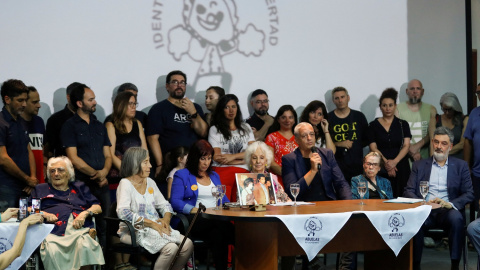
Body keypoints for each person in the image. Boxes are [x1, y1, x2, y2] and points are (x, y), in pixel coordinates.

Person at [282, 122, 352, 269]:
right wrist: (313, 171)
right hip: (303, 210)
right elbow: (292, 191)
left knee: (350, 230)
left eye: (312, 134)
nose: (309, 138)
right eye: (304, 135)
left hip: (327, 206)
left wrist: (348, 204)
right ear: (297, 140)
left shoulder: (326, 154)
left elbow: (341, 183)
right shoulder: (289, 159)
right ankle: (316, 266)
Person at [404, 127, 474, 270]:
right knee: (414, 220)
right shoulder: (419, 165)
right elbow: (408, 190)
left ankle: (455, 265)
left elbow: (469, 193)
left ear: (450, 146)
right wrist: (423, 203)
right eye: (436, 142)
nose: (439, 147)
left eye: (443, 143)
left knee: (457, 219)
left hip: (448, 210)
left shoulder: (461, 166)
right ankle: (415, 265)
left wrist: (450, 204)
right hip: (425, 210)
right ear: (432, 143)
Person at [116, 147, 193, 270]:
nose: (150, 166)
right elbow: (123, 212)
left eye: (149, 162)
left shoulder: (150, 182)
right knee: (171, 248)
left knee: (187, 244)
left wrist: (166, 220)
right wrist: (151, 224)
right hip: (134, 231)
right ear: (135, 164)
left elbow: (164, 205)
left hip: (155, 228)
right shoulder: (125, 184)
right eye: (145, 162)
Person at [61, 83, 112, 247]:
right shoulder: (69, 126)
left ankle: (102, 264)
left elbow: (108, 155)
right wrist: (96, 175)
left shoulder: (99, 125)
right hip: (81, 184)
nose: (95, 102)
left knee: (104, 226)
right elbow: (73, 158)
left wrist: (104, 173)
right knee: (83, 226)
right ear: (79, 103)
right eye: (91, 99)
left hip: (102, 185)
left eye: (94, 98)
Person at [31, 156, 105, 270]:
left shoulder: (80, 187)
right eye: (52, 171)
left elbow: (97, 207)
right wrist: (44, 214)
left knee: (85, 246)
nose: (56, 174)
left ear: (69, 173)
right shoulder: (41, 189)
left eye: (60, 170)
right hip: (53, 231)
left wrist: (84, 214)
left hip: (78, 228)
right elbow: (29, 209)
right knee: (52, 250)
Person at [170, 139, 234, 270]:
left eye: (209, 158)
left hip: (214, 222)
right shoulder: (182, 174)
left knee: (217, 234)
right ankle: (239, 238)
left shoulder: (214, 175)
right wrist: (193, 209)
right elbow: (175, 201)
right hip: (191, 220)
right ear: (195, 158)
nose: (206, 163)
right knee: (223, 226)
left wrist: (234, 206)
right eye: (203, 159)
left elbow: (225, 200)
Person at [146, 70, 208, 179]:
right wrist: (160, 165)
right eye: (175, 82)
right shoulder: (158, 109)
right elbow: (152, 138)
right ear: (167, 86)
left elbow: (203, 132)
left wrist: (193, 112)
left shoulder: (195, 107)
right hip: (169, 165)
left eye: (182, 82)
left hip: (193, 165)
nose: (179, 85)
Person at [208, 94, 255, 201]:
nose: (231, 110)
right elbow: (216, 157)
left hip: (243, 170)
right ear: (221, 110)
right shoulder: (215, 129)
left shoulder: (246, 127)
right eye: (227, 107)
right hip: (222, 170)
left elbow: (253, 151)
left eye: (233, 107)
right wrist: (243, 160)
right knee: (225, 205)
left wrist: (232, 157)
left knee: (244, 203)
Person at [0, 79, 38, 207]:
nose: (24, 104)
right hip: (6, 187)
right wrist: (27, 179)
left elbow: (28, 150)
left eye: (25, 100)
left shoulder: (20, 121)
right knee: (7, 226)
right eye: (20, 100)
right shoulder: (1, 123)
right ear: (7, 99)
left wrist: (32, 178)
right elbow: (3, 159)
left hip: (25, 187)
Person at [368, 88, 411, 198]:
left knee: (403, 199)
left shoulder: (403, 124)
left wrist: (394, 162)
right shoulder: (373, 125)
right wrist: (387, 164)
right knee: (383, 200)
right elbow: (373, 147)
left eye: (390, 105)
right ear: (380, 107)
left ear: (395, 106)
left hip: (401, 166)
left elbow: (406, 146)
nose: (388, 108)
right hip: (381, 167)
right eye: (384, 105)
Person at [105, 91, 147, 202]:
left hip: (138, 176)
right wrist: (129, 172)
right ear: (121, 105)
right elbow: (110, 154)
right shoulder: (111, 125)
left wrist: (142, 170)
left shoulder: (137, 123)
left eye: (135, 104)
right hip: (118, 177)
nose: (134, 107)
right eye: (130, 104)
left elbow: (144, 151)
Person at [328, 87, 369, 184]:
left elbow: (367, 139)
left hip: (357, 166)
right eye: (337, 98)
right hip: (337, 167)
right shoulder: (329, 118)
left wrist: (355, 146)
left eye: (342, 97)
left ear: (348, 98)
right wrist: (340, 143)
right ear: (333, 100)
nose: (340, 100)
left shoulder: (359, 116)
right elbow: (325, 143)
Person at [396, 79, 437, 161]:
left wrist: (417, 146)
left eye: (418, 88)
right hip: (403, 161)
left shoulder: (431, 109)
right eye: (412, 89)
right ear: (407, 91)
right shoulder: (397, 109)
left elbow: (433, 133)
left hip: (425, 160)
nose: (415, 91)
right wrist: (411, 151)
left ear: (422, 91)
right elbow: (396, 133)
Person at [45, 82, 81, 158]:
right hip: (63, 166)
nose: (80, 100)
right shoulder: (54, 119)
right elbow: (49, 149)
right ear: (68, 97)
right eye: (77, 97)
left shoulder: (91, 118)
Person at [429, 92, 468, 160]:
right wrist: (433, 160)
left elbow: (463, 143)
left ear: (455, 108)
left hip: (457, 161)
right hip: (440, 160)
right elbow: (432, 142)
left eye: (449, 109)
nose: (447, 112)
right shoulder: (435, 119)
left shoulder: (464, 119)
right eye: (444, 109)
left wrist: (443, 152)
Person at [265, 105, 298, 179]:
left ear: (294, 120)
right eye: (283, 117)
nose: (287, 120)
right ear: (278, 119)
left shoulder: (300, 138)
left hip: (298, 178)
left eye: (290, 117)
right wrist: (288, 175)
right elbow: (270, 162)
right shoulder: (271, 137)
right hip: (277, 178)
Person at [21, 86, 46, 184]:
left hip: (39, 181)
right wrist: (27, 179)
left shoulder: (39, 121)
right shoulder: (15, 125)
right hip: (23, 181)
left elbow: (43, 147)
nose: (39, 105)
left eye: (38, 102)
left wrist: (44, 164)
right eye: (34, 102)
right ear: (24, 103)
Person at [464, 82, 480, 212]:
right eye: (478, 93)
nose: (479, 95)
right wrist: (467, 167)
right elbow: (468, 141)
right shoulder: (474, 113)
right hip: (477, 172)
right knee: (477, 208)